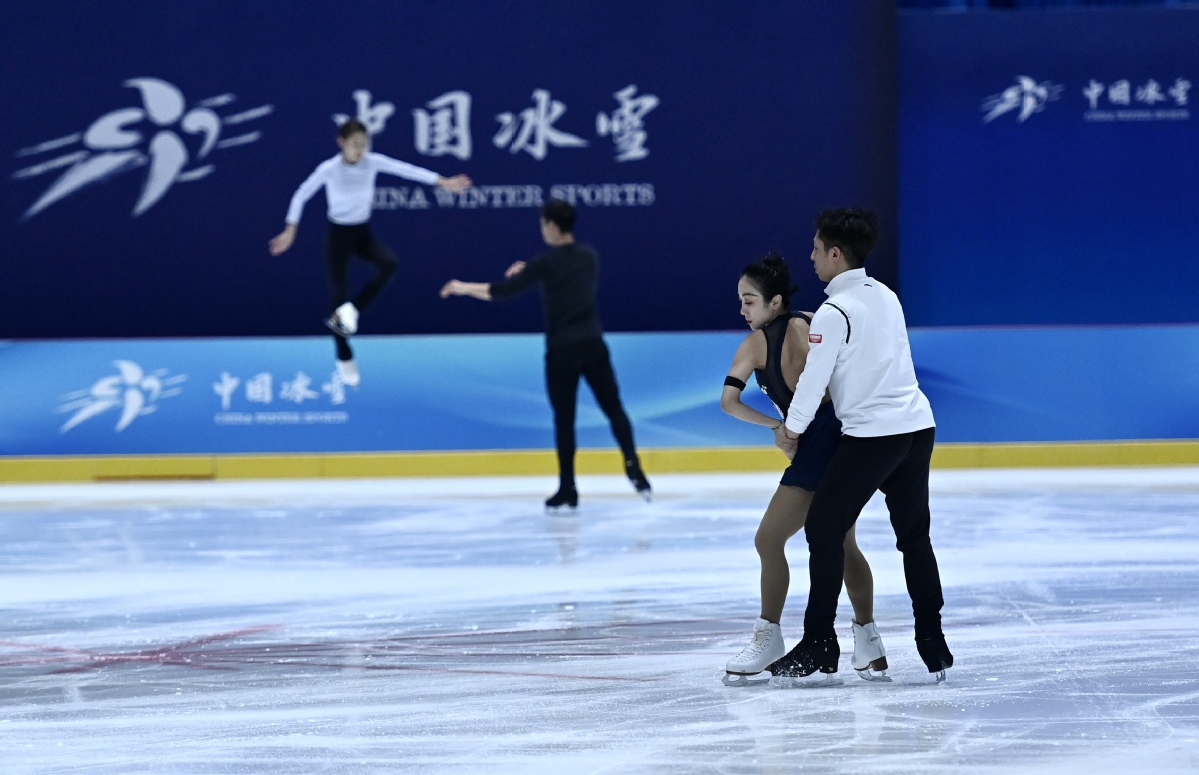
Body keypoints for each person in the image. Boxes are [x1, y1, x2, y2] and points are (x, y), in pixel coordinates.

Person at [771, 207, 953, 682]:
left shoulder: (834, 311)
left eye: (815, 250)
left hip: (875, 436)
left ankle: (818, 643)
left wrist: (791, 429)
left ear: (835, 253)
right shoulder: (885, 295)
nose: (810, 258)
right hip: (917, 429)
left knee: (823, 529)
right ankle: (932, 642)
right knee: (915, 538)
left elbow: (815, 379)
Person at [720, 253, 888, 685]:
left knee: (769, 538)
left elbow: (730, 402)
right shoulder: (818, 319)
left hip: (817, 444)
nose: (743, 310)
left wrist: (777, 426)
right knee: (842, 542)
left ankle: (768, 635)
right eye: (741, 301)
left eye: (750, 301)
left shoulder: (756, 344)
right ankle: (868, 642)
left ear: (774, 302)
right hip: (849, 435)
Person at [439, 199, 651, 511]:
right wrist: (531, 270)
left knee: (565, 421)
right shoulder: (589, 257)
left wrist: (462, 287)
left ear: (551, 225)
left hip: (562, 351)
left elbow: (502, 291)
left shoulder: (544, 264)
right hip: (593, 345)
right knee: (614, 409)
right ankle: (633, 465)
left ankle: (568, 487)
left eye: (541, 224)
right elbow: (562, 275)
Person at [269, 119, 471, 387]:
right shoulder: (329, 169)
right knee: (337, 299)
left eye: (364, 145)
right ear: (340, 143)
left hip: (362, 233)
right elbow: (301, 195)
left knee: (390, 264)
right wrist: (291, 229)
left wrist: (442, 181)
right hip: (338, 237)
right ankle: (344, 356)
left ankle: (354, 309)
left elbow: (405, 169)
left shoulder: (372, 162)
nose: (359, 151)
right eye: (354, 145)